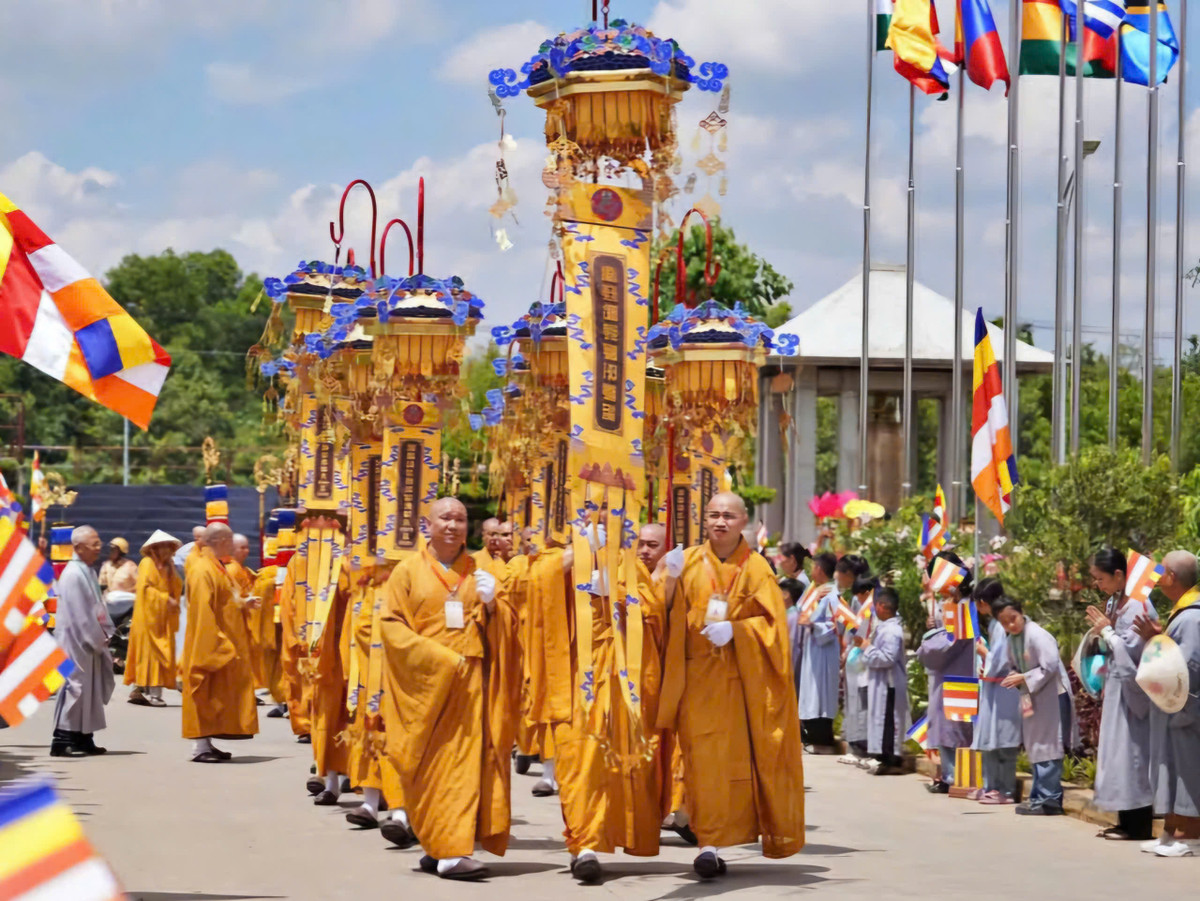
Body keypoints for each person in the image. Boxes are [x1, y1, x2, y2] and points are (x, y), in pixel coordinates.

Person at [656, 492, 805, 879]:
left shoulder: (757, 568)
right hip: (695, 680)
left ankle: (715, 842)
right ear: (703, 520)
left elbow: (774, 629)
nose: (720, 522)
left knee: (732, 766)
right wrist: (669, 581)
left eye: (729, 516)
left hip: (741, 685)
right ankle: (707, 841)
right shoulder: (685, 561)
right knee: (700, 762)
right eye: (713, 515)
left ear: (744, 523)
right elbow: (657, 613)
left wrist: (737, 631)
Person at [379, 497, 519, 880]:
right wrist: (440, 661)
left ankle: (452, 851)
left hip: (472, 683)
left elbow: (507, 628)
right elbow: (391, 627)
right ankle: (437, 842)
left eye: (460, 519)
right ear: (429, 524)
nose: (454, 525)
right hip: (425, 687)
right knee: (427, 765)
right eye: (446, 518)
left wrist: (493, 607)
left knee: (464, 765)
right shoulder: (406, 573)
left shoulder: (478, 570)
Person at [549, 521, 670, 883]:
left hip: (624, 685)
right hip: (577, 680)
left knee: (619, 765)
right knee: (578, 760)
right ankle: (583, 845)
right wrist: (573, 560)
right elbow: (533, 598)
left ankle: (604, 837)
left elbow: (653, 612)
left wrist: (618, 594)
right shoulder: (563, 562)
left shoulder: (630, 568)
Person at [1084, 547, 1158, 840]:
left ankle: (1138, 825)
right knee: (1119, 755)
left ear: (1118, 575)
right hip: (1118, 688)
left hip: (1133, 692)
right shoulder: (1119, 603)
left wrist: (1107, 632)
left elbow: (1133, 651)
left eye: (1100, 578)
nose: (1097, 585)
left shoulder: (1140, 606)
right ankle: (1124, 820)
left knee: (1133, 755)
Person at [1133, 550, 1200, 857]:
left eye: (1161, 572)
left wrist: (1152, 642)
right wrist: (1156, 639)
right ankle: (1170, 835)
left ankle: (1190, 838)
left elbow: (1186, 668)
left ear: (1172, 577)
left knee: (1187, 772)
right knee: (1173, 771)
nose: (1157, 577)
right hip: (1176, 710)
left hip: (1187, 710)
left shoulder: (1192, 616)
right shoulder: (1183, 612)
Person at [181, 523, 259, 762]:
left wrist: (243, 603)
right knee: (204, 691)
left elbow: (225, 599)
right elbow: (203, 612)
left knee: (214, 695)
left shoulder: (216, 567)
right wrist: (216, 644)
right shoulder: (202, 569)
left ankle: (207, 743)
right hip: (209, 643)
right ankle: (200, 748)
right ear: (222, 542)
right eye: (230, 542)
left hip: (222, 639)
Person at [992, 595, 1067, 816]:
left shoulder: (1037, 635)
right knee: (1036, 745)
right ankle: (1038, 796)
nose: (1010, 625)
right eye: (1004, 622)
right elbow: (1013, 664)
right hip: (1031, 696)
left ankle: (1050, 799)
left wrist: (1023, 677)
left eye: (1013, 618)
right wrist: (1016, 675)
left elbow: (1049, 665)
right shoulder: (1011, 639)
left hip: (1051, 696)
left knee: (1048, 745)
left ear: (1021, 612)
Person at [51, 526, 115, 757]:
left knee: (89, 688)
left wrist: (105, 630)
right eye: (94, 544)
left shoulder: (87, 570)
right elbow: (81, 615)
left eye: (99, 543)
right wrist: (98, 637)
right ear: (78, 547)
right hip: (76, 640)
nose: (99, 548)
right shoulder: (73, 574)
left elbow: (97, 607)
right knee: (74, 686)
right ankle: (63, 738)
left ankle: (83, 736)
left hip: (89, 639)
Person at [916, 553, 975, 793]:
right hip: (947, 673)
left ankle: (957, 778)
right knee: (945, 725)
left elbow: (950, 641)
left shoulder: (963, 607)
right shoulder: (950, 603)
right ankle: (947, 775)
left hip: (959, 671)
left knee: (955, 727)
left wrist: (928, 641)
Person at [972, 576, 1022, 805]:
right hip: (994, 688)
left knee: (1004, 741)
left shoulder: (1002, 626)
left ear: (984, 602)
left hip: (1005, 687)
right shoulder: (994, 625)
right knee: (990, 740)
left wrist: (983, 653)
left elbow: (1001, 659)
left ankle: (1006, 790)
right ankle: (991, 785)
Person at [125, 530, 183, 707]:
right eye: (164, 547)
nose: (168, 551)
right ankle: (154, 695)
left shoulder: (168, 566)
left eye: (170, 547)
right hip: (147, 618)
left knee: (160, 652)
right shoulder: (147, 563)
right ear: (154, 548)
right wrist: (166, 599)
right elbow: (145, 590)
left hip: (162, 618)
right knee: (151, 654)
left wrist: (172, 574)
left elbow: (177, 586)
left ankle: (139, 690)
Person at [853, 586, 907, 775]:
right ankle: (884, 757)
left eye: (876, 605)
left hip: (888, 684)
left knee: (888, 722)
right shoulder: (885, 628)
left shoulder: (892, 630)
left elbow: (887, 658)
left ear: (883, 606)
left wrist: (867, 647)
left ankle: (892, 759)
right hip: (880, 682)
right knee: (881, 720)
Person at [797, 551, 840, 752]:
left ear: (820, 569)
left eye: (813, 566)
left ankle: (823, 742)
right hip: (811, 649)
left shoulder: (831, 594)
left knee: (819, 694)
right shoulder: (816, 591)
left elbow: (834, 625)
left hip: (823, 650)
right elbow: (801, 610)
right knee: (811, 693)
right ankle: (812, 737)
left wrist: (814, 625)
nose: (811, 570)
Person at [835, 555, 871, 763]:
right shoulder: (857, 597)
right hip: (855, 654)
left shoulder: (862, 600)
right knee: (854, 701)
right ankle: (856, 744)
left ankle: (861, 747)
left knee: (861, 701)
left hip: (862, 655)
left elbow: (860, 629)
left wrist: (849, 649)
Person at [98, 537, 138, 605]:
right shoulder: (106, 566)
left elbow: (139, 585)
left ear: (121, 551)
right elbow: (101, 585)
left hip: (126, 605)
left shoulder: (130, 566)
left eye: (114, 549)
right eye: (110, 549)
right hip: (109, 604)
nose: (111, 552)